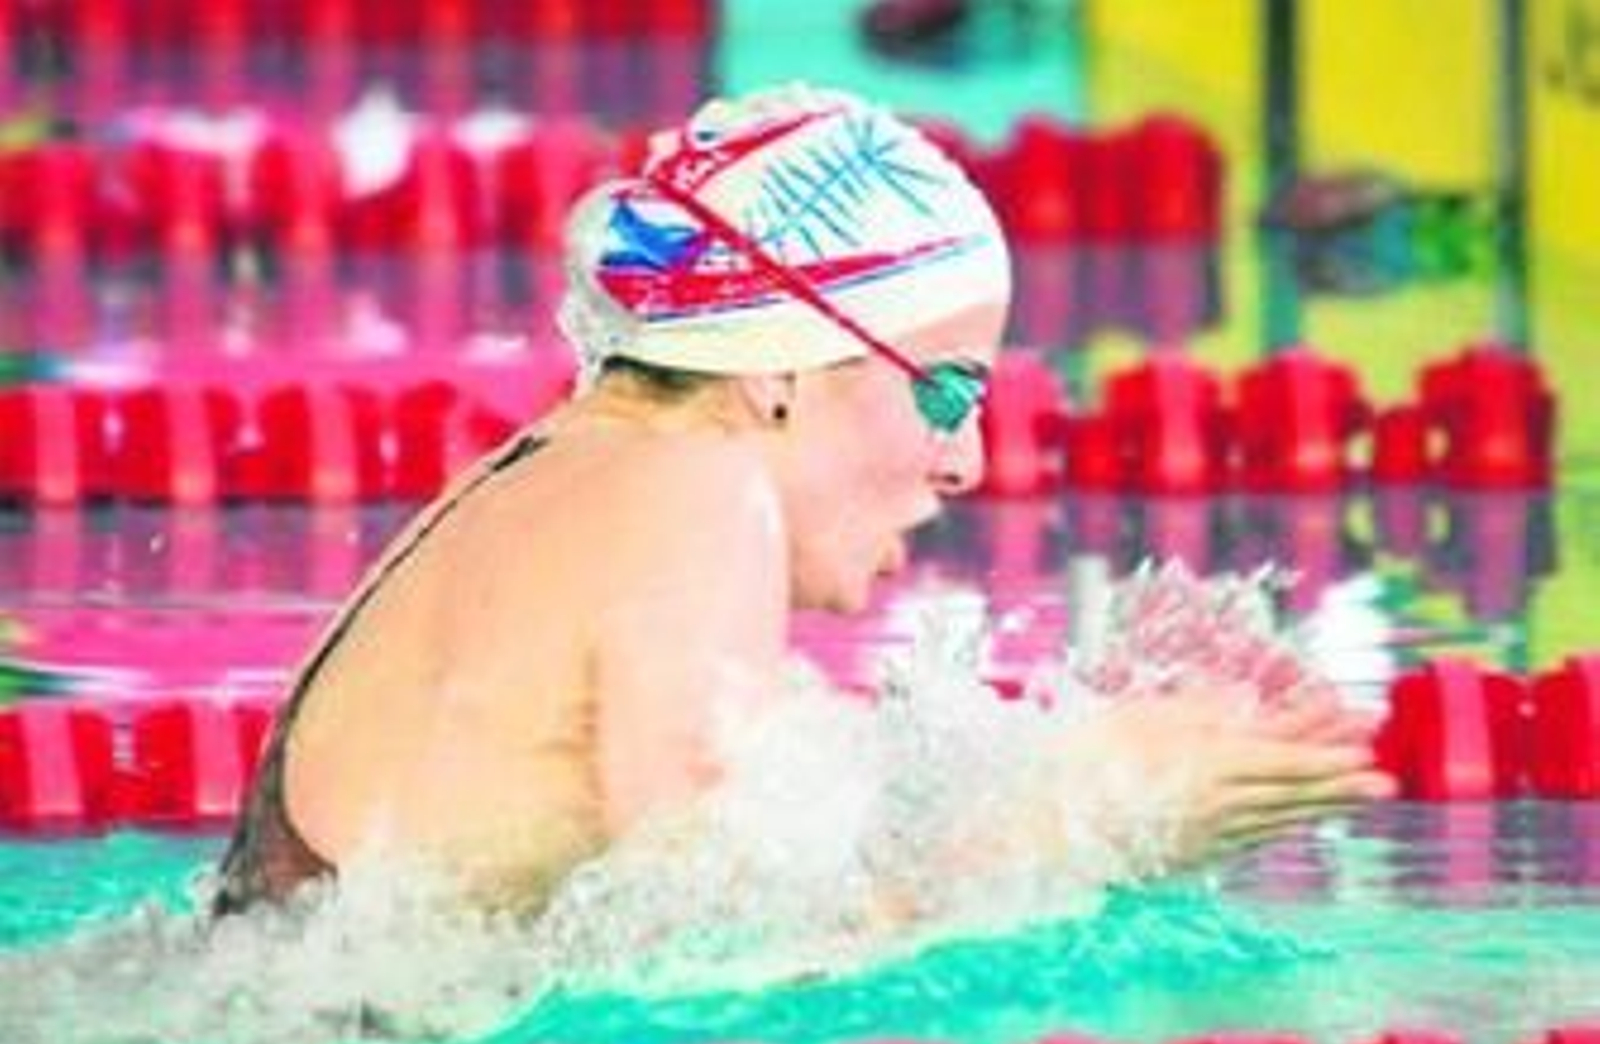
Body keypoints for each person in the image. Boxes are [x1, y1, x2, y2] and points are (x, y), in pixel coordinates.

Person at [212, 84, 1394, 917]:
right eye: (945, 388)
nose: (968, 461)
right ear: (778, 364)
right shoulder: (696, 490)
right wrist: (1081, 825)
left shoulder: (559, 473)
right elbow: (725, 955)